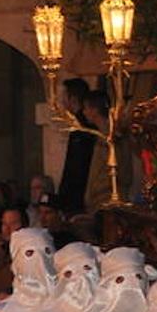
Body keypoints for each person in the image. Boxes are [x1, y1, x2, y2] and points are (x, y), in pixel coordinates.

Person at [57, 78, 95, 214]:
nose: (61, 101)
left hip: (79, 195)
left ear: (72, 98)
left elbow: (77, 164)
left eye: (64, 97)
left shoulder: (83, 127)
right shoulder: (78, 124)